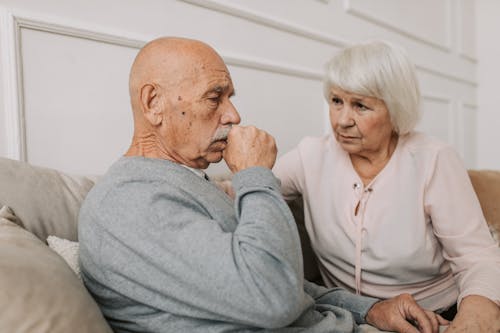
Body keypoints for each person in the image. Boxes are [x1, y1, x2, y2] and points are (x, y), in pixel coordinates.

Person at [78, 37, 444, 333]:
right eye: (214, 97)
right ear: (153, 103)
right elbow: (272, 294)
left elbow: (286, 282)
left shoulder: (185, 184)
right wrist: (253, 174)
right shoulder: (129, 200)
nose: (233, 115)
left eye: (230, 98)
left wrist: (372, 310)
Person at [273, 40, 500, 332]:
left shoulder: (434, 159)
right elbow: (248, 192)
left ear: (395, 109)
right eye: (336, 101)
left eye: (360, 105)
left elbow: (476, 257)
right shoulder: (310, 155)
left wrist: (475, 315)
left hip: (436, 315)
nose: (342, 120)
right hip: (349, 315)